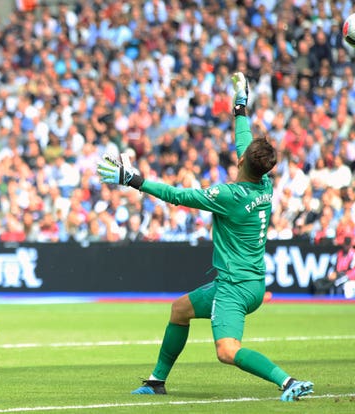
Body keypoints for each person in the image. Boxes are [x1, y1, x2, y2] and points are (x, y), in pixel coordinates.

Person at [97, 73, 313, 401]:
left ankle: (288, 382)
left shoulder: (229, 195)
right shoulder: (264, 184)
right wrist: (240, 107)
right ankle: (157, 381)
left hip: (234, 287)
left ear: (241, 160)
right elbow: (246, 142)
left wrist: (134, 180)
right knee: (180, 309)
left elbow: (178, 196)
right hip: (253, 283)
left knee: (227, 350)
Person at [313, 234, 355, 298]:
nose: (346, 246)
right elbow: (336, 266)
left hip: (348, 275)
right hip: (338, 274)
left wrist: (337, 274)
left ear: (350, 245)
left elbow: (351, 268)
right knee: (320, 281)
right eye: (345, 244)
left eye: (348, 244)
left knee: (336, 282)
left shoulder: (354, 253)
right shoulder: (340, 253)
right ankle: (319, 297)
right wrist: (334, 273)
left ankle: (326, 298)